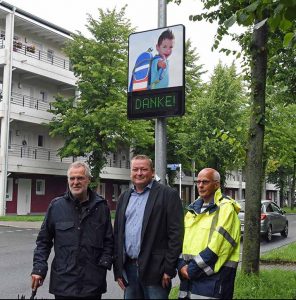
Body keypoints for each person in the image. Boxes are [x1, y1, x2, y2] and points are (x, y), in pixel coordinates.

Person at [31, 161, 114, 299]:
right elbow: (43, 242)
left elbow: (109, 240)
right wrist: (39, 269)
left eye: (80, 178)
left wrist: (102, 265)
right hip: (63, 283)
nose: (75, 182)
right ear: (68, 180)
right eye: (72, 178)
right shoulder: (56, 206)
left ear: (88, 180)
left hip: (92, 284)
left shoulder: (101, 207)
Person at [113, 154, 184, 299]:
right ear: (131, 172)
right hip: (129, 269)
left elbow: (176, 235)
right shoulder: (124, 197)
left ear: (152, 172)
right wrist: (118, 270)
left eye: (144, 169)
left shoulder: (168, 195)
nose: (139, 173)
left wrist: (169, 269)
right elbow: (118, 236)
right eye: (135, 169)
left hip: (156, 271)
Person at [178, 168, 241, 299]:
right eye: (198, 182)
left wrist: (191, 270)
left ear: (216, 184)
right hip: (189, 280)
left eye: (205, 182)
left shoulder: (226, 209)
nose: (200, 185)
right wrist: (180, 265)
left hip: (214, 281)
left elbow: (219, 247)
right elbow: (181, 241)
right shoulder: (192, 210)